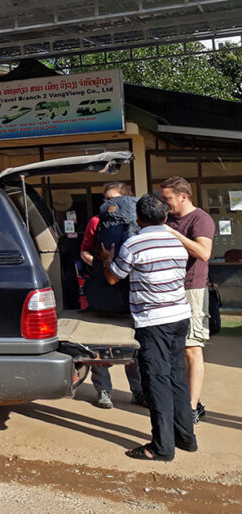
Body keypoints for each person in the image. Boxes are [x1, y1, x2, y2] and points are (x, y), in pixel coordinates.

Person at [99, 193, 195, 461]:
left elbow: (112, 278)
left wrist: (108, 257)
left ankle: (162, 447)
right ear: (164, 217)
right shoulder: (177, 241)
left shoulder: (135, 244)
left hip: (154, 322)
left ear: (138, 218)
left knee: (156, 381)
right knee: (177, 377)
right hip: (179, 317)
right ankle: (186, 438)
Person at [80, 182, 143, 409]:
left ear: (127, 199)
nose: (108, 203)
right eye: (105, 199)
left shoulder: (139, 220)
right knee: (100, 345)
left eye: (113, 198)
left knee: (133, 347)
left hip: (129, 291)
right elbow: (85, 250)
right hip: (104, 286)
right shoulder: (97, 221)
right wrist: (100, 265)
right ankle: (104, 391)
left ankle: (138, 391)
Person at [159, 177, 215, 424]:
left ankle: (191, 409)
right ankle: (191, 399)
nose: (164, 203)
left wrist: (171, 232)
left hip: (191, 291)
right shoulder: (167, 219)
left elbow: (203, 253)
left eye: (167, 198)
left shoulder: (200, 219)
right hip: (168, 291)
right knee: (176, 351)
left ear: (183, 197)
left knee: (192, 349)